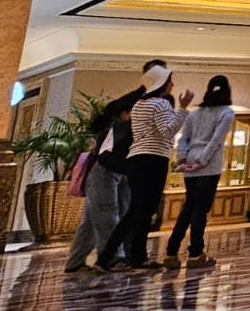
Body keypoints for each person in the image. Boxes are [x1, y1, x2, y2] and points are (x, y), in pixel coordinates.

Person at [64, 58, 167, 275]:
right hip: (107, 167)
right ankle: (113, 258)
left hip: (120, 169)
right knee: (108, 213)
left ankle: (75, 262)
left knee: (94, 217)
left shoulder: (137, 103)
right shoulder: (140, 103)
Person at [95, 64, 193, 272]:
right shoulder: (161, 104)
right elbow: (168, 131)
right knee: (142, 210)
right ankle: (111, 258)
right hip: (154, 160)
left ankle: (129, 257)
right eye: (169, 81)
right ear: (162, 83)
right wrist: (183, 108)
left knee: (138, 210)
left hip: (136, 159)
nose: (172, 84)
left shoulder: (139, 104)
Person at [164, 75, 235, 269]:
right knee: (200, 211)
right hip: (209, 166)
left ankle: (171, 251)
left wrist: (183, 158)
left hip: (191, 165)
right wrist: (201, 161)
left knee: (188, 208)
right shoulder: (226, 113)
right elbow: (215, 141)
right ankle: (196, 253)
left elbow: (183, 139)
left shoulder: (195, 113)